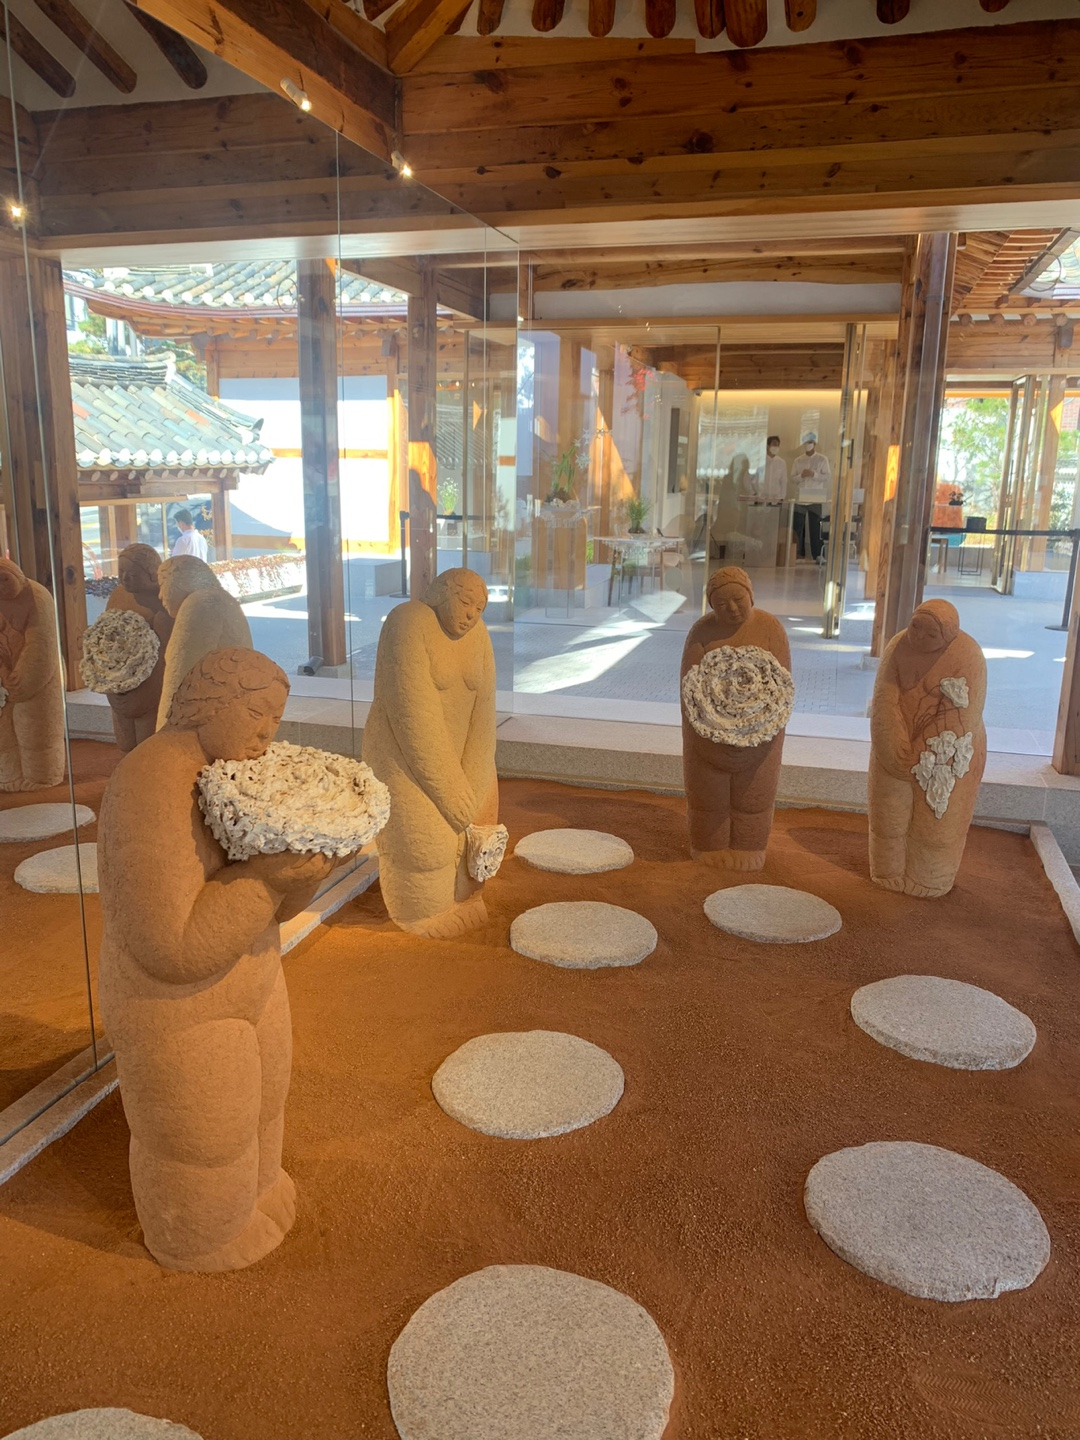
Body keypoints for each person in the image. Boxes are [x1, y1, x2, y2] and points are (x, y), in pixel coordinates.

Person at [98, 647, 337, 1270]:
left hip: (254, 975)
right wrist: (268, 877)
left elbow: (275, 909)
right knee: (203, 1136)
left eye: (276, 720)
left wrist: (304, 870)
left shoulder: (239, 773)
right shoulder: (154, 778)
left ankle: (254, 1193)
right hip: (178, 1007)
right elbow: (170, 946)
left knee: (264, 1101)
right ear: (209, 704)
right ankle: (199, 1234)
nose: (266, 734)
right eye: (256, 715)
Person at [363, 567, 498, 938]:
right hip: (406, 759)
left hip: (464, 761)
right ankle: (419, 914)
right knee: (426, 846)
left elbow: (485, 712)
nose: (471, 615)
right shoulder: (408, 621)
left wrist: (476, 774)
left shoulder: (480, 635)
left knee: (478, 835)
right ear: (442, 592)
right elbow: (412, 713)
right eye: (465, 602)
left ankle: (465, 898)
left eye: (479, 608)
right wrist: (450, 791)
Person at [868, 599, 987, 898]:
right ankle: (887, 871)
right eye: (916, 627)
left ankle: (930, 879)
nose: (919, 637)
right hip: (893, 748)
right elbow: (885, 698)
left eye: (931, 634)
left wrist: (922, 751)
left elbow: (962, 715)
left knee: (937, 824)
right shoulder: (897, 646)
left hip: (944, 756)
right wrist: (893, 748)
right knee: (888, 816)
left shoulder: (968, 655)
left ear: (948, 635)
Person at [681, 566, 792, 871]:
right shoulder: (702, 633)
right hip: (707, 737)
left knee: (754, 796)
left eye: (738, 600)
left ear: (750, 596)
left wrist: (759, 736)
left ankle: (749, 844)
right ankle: (708, 844)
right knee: (708, 796)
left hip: (759, 736)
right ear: (711, 605)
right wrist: (708, 737)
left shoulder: (770, 629)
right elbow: (689, 693)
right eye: (721, 603)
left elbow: (781, 690)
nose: (731, 608)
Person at [103, 543, 174, 752]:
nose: (125, 578)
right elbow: (106, 631)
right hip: (119, 679)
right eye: (121, 572)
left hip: (150, 682)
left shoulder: (163, 600)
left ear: (151, 574)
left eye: (132, 574)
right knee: (124, 738)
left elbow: (167, 651)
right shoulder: (119, 595)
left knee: (147, 742)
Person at [791, 432, 831, 562]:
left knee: (815, 526)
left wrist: (814, 474)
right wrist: (801, 476)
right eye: (806, 443)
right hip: (800, 497)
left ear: (814, 444)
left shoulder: (822, 459)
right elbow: (792, 478)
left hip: (816, 497)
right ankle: (797, 554)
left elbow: (827, 477)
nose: (808, 445)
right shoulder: (798, 460)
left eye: (810, 442)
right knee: (798, 526)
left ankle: (818, 555)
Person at [760, 435, 788, 503]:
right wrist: (753, 493)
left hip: (776, 500)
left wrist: (782, 498)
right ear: (768, 446)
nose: (776, 447)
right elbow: (747, 479)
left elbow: (783, 481)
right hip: (761, 499)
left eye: (777, 445)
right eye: (774, 444)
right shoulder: (759, 461)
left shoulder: (781, 462)